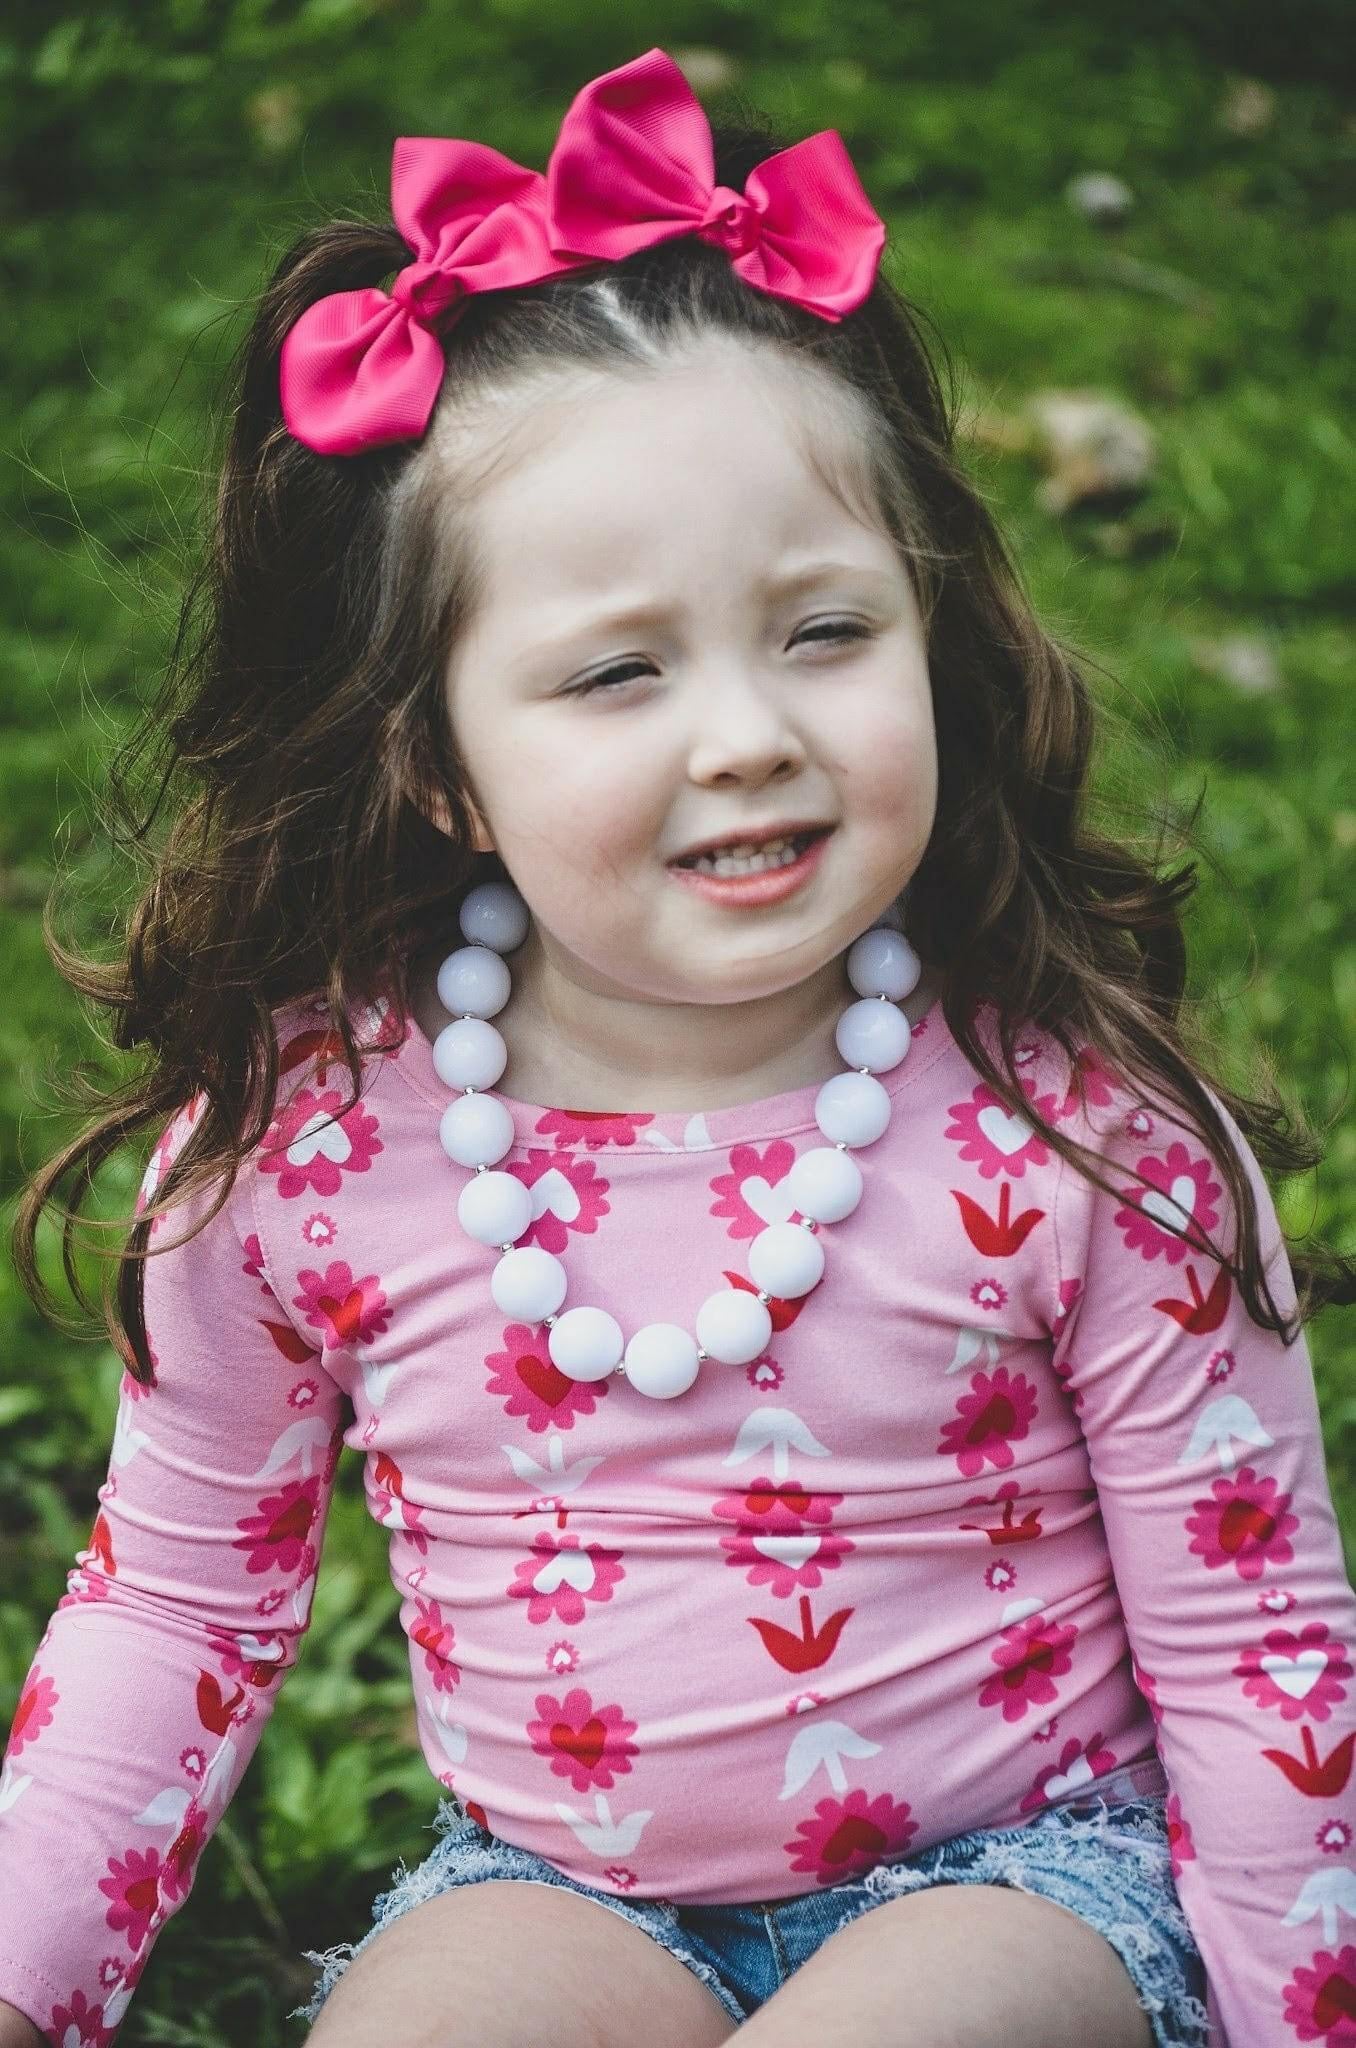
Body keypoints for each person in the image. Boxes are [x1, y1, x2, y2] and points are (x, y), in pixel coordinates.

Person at [0, 43, 1352, 2048]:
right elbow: (178, 1601)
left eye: (823, 631)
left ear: (932, 628)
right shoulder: (308, 1152)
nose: (746, 731)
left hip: (1029, 1871)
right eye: (619, 671)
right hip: (555, 1883)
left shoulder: (1073, 1134)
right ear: (434, 762)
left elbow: (1258, 1653)